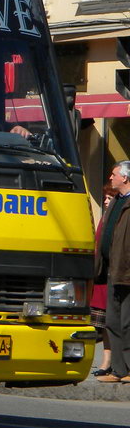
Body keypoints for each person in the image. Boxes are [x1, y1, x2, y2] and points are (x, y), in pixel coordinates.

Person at [95, 161, 130, 383]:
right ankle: (119, 370)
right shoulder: (117, 201)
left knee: (127, 321)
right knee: (112, 321)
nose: (110, 177)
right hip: (111, 269)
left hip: (126, 270)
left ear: (125, 178)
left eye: (114, 174)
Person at [91, 184, 117, 376]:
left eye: (110, 198)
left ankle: (116, 361)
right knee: (105, 323)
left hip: (116, 276)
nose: (106, 201)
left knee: (118, 322)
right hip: (102, 276)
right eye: (106, 198)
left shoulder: (119, 217)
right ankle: (106, 360)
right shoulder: (104, 219)